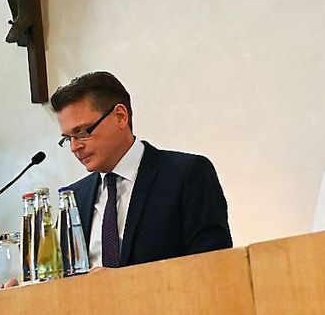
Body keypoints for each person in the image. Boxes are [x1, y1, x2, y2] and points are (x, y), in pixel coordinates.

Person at [51, 71, 232, 267]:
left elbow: (214, 265)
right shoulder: (74, 198)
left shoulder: (186, 174)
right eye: (68, 138)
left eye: (83, 132)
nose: (74, 147)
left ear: (120, 117)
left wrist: (120, 283)